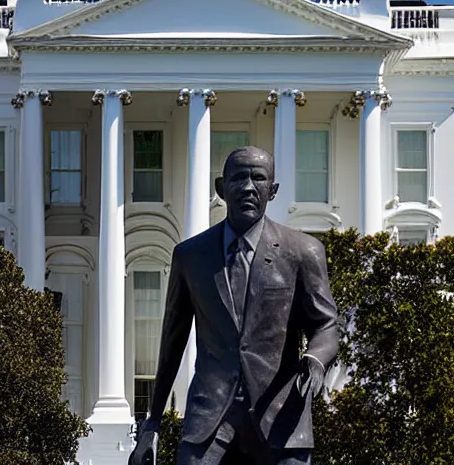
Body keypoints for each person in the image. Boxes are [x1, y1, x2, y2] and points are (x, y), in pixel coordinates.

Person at [129, 146, 339, 465]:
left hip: (281, 419)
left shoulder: (303, 252)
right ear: (220, 188)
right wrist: (152, 425)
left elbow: (326, 324)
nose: (248, 187)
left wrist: (315, 359)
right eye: (239, 178)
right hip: (210, 422)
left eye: (258, 178)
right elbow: (171, 343)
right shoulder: (190, 256)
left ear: (273, 189)